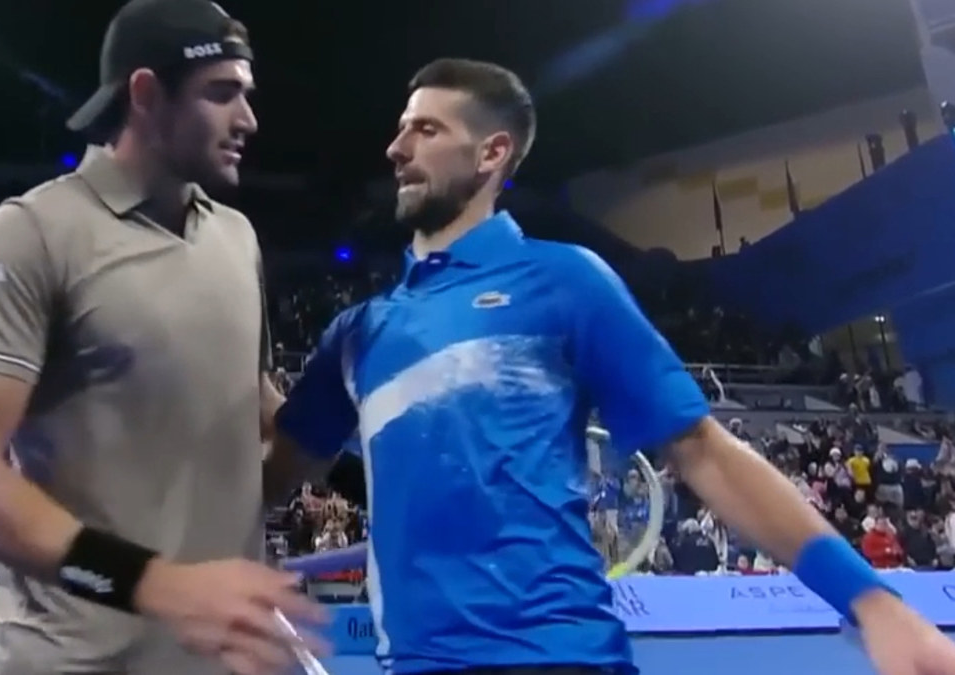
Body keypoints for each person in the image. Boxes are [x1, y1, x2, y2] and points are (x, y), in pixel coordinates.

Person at [264, 57, 955, 675]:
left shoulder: (564, 281)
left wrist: (870, 599)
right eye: (400, 130)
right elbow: (271, 475)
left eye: (425, 130)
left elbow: (704, 452)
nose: (396, 148)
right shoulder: (358, 333)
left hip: (557, 659)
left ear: (492, 152)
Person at [0, 2, 321, 675]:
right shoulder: (31, 233)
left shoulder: (237, 237)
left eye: (246, 94)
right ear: (145, 93)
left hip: (222, 661)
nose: (248, 119)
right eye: (221, 93)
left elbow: (250, 406)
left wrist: (357, 454)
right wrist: (155, 584)